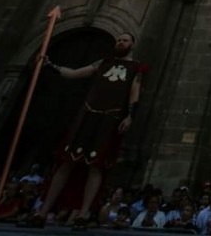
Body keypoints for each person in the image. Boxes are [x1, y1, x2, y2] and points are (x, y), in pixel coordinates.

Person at [25, 32, 145, 230]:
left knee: (96, 166)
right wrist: (49, 64)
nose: (120, 42)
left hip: (109, 120)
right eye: (118, 40)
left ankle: (83, 214)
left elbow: (135, 93)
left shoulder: (136, 68)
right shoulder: (102, 63)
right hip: (88, 116)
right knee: (66, 162)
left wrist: (130, 116)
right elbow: (74, 73)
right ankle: (43, 211)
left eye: (124, 40)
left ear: (132, 44)